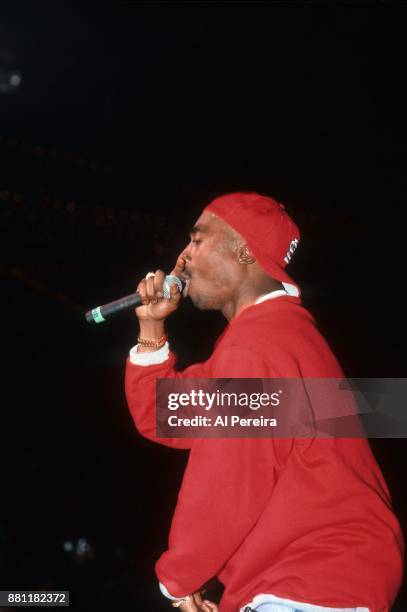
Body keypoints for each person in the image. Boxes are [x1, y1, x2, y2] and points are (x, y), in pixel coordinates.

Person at [124, 192, 404, 612]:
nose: (182, 258)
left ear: (242, 251)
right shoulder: (277, 335)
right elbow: (167, 414)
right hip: (324, 579)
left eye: (197, 240)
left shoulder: (257, 348)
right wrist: (151, 327)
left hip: (312, 580)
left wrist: (179, 578)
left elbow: (228, 479)